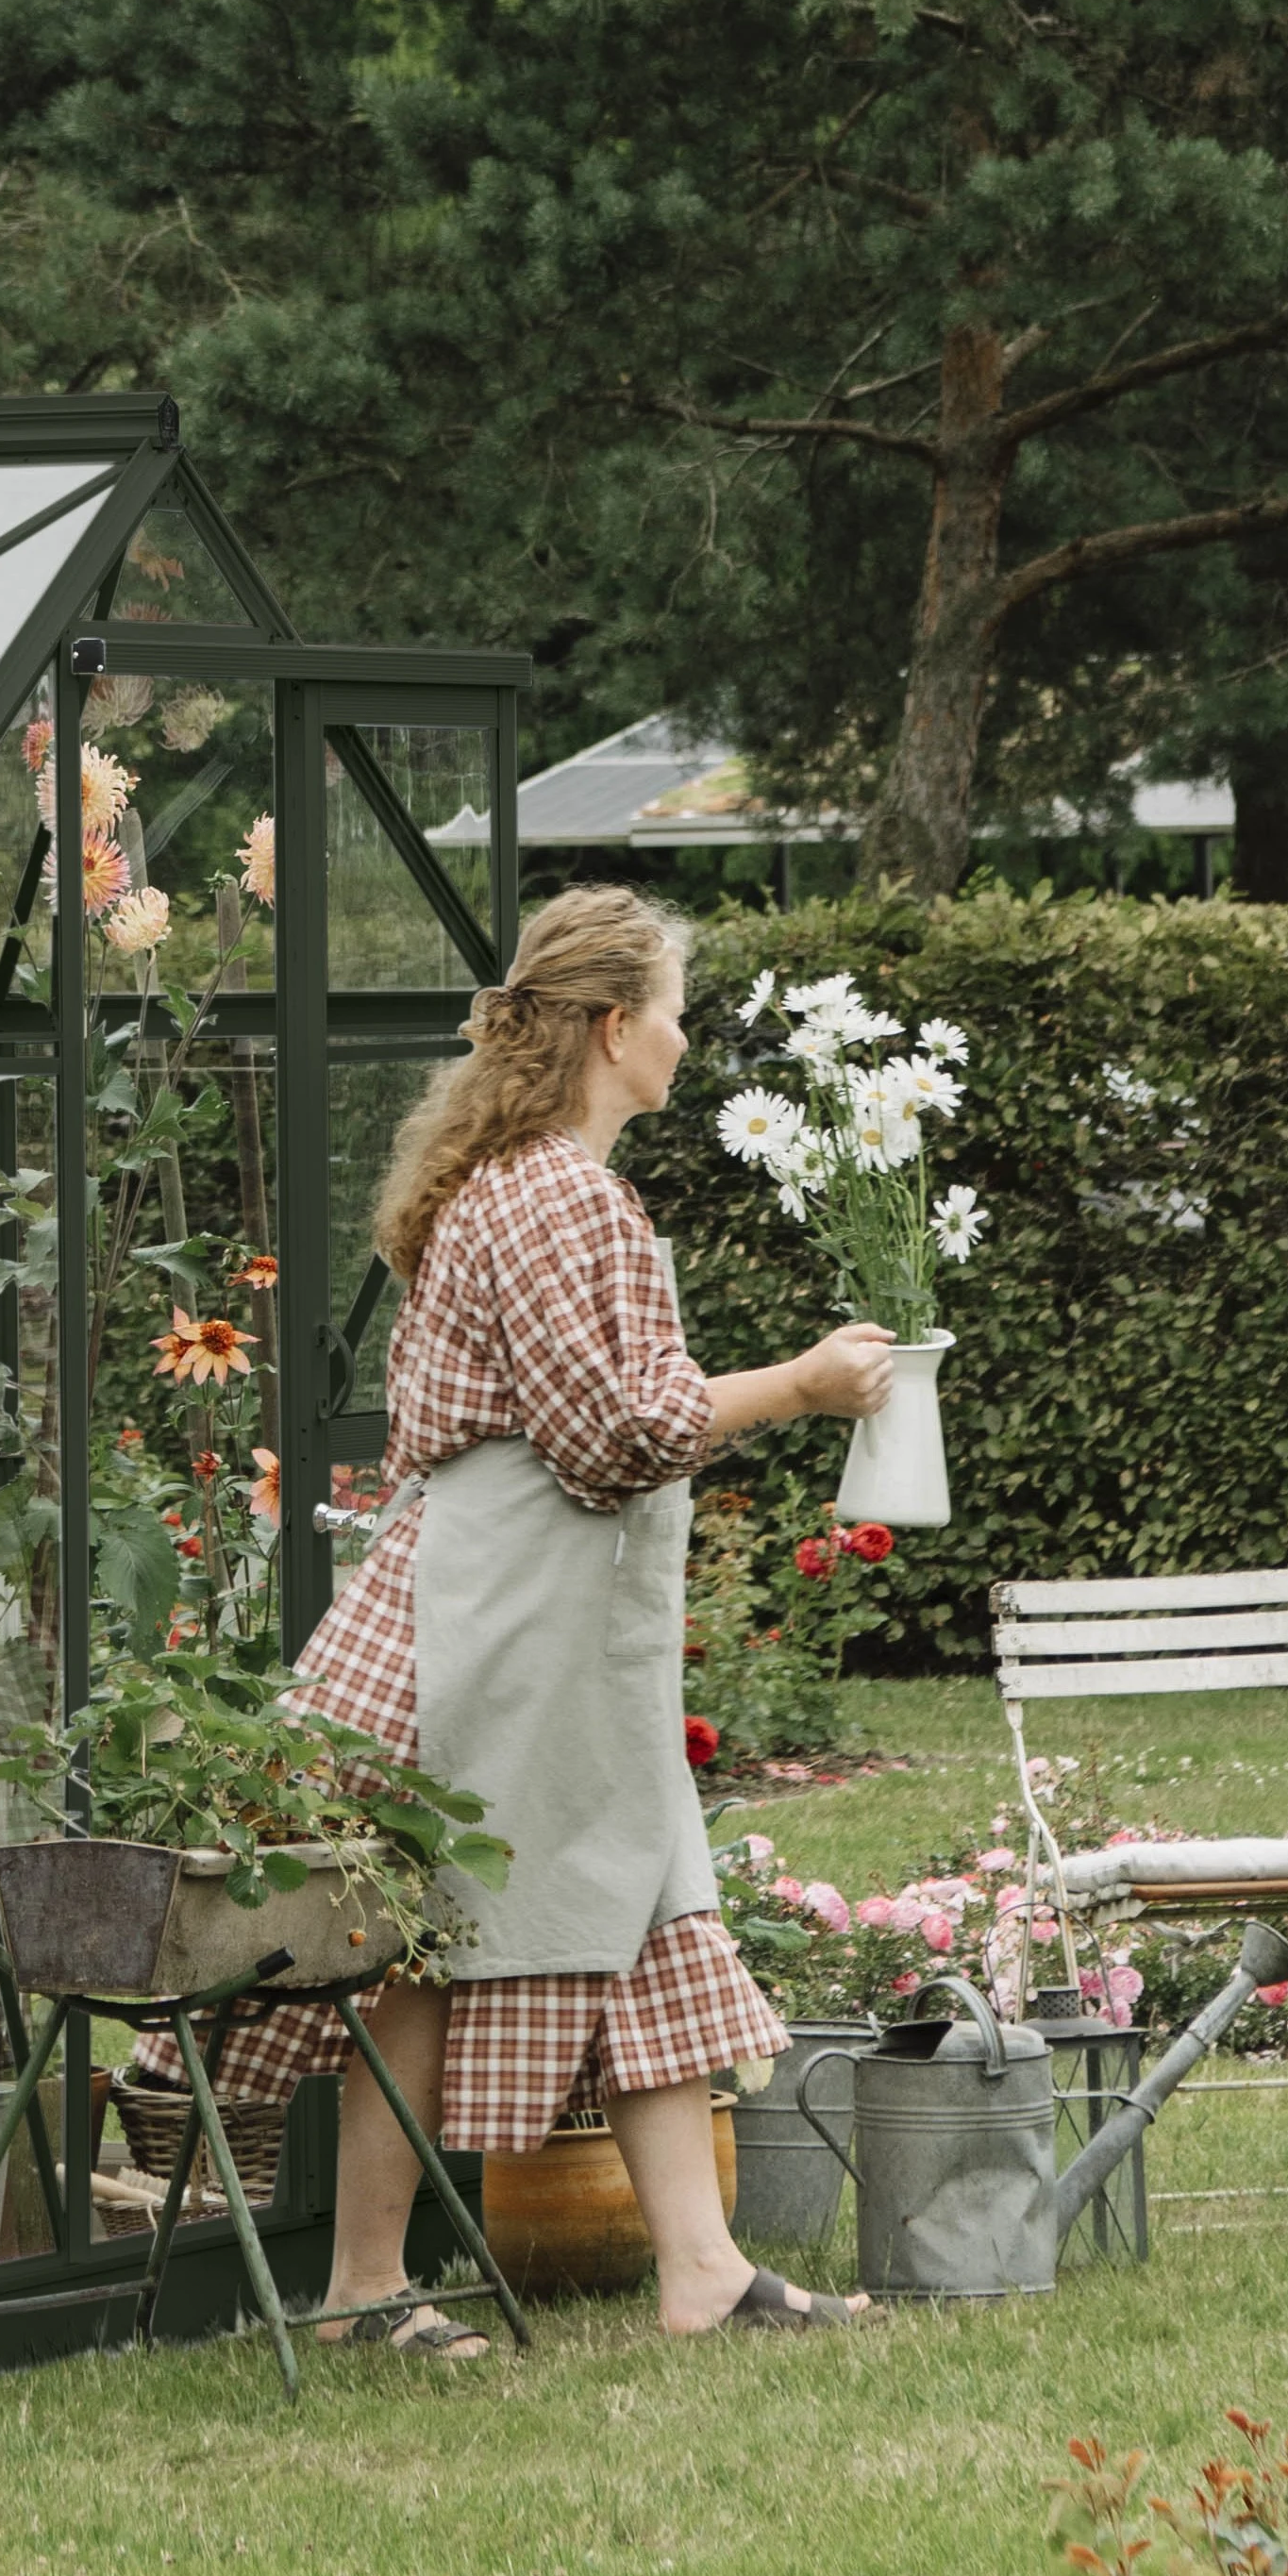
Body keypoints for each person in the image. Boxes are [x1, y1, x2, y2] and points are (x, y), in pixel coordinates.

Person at [290, 883, 893, 2352]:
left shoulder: (531, 1183)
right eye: (676, 1010)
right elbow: (608, 1433)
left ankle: (702, 2267)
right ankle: (363, 2286)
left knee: (649, 1901)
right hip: (499, 1624)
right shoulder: (556, 1192)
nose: (687, 1038)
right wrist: (802, 1385)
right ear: (616, 1026)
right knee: (428, 1929)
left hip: (542, 1617)